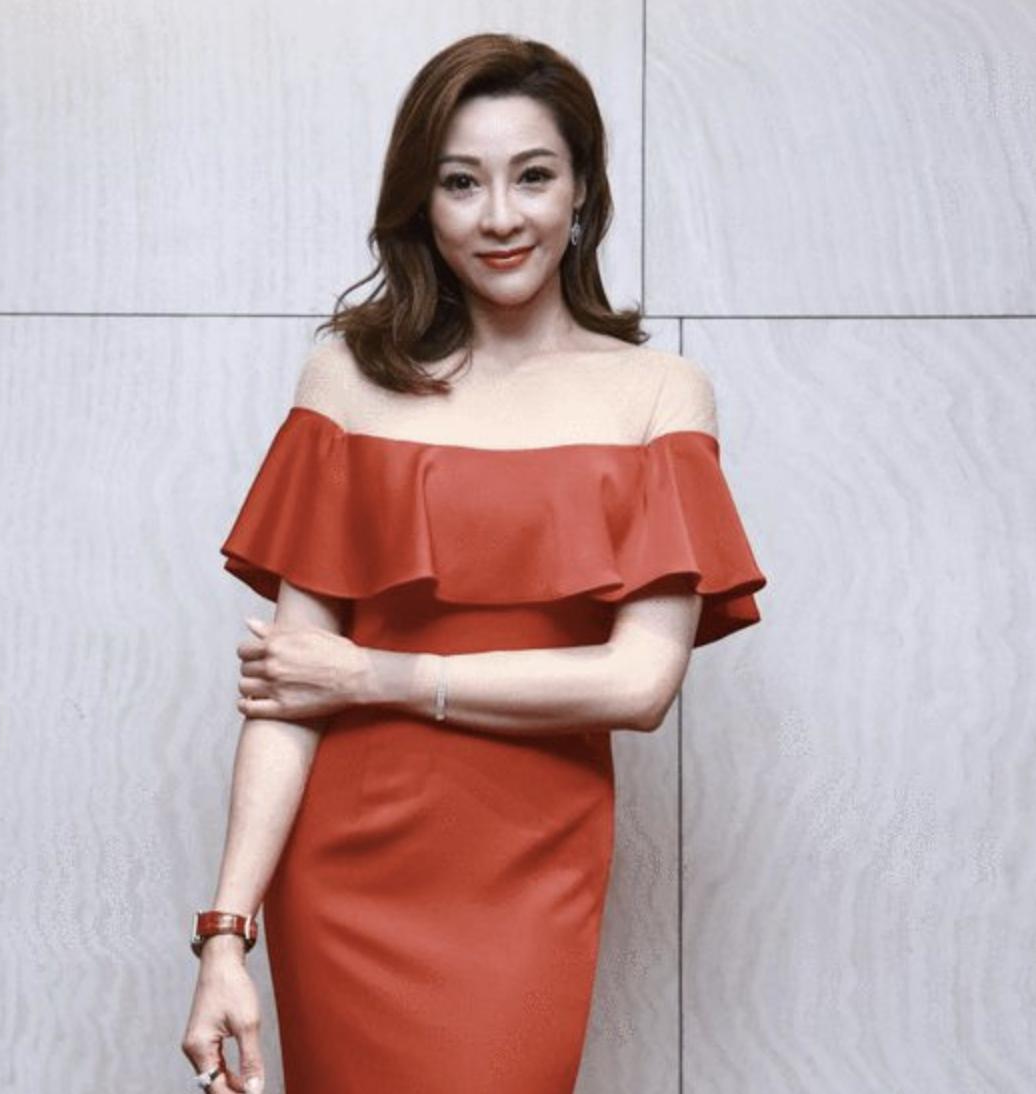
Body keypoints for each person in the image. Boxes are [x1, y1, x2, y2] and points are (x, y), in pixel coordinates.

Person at [180, 31, 767, 1094]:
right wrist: (227, 932)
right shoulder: (346, 380)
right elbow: (286, 695)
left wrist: (374, 674)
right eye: (461, 182)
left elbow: (638, 685)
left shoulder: (659, 394)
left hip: (531, 866)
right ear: (422, 203)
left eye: (532, 176)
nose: (500, 216)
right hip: (344, 869)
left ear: (582, 192)